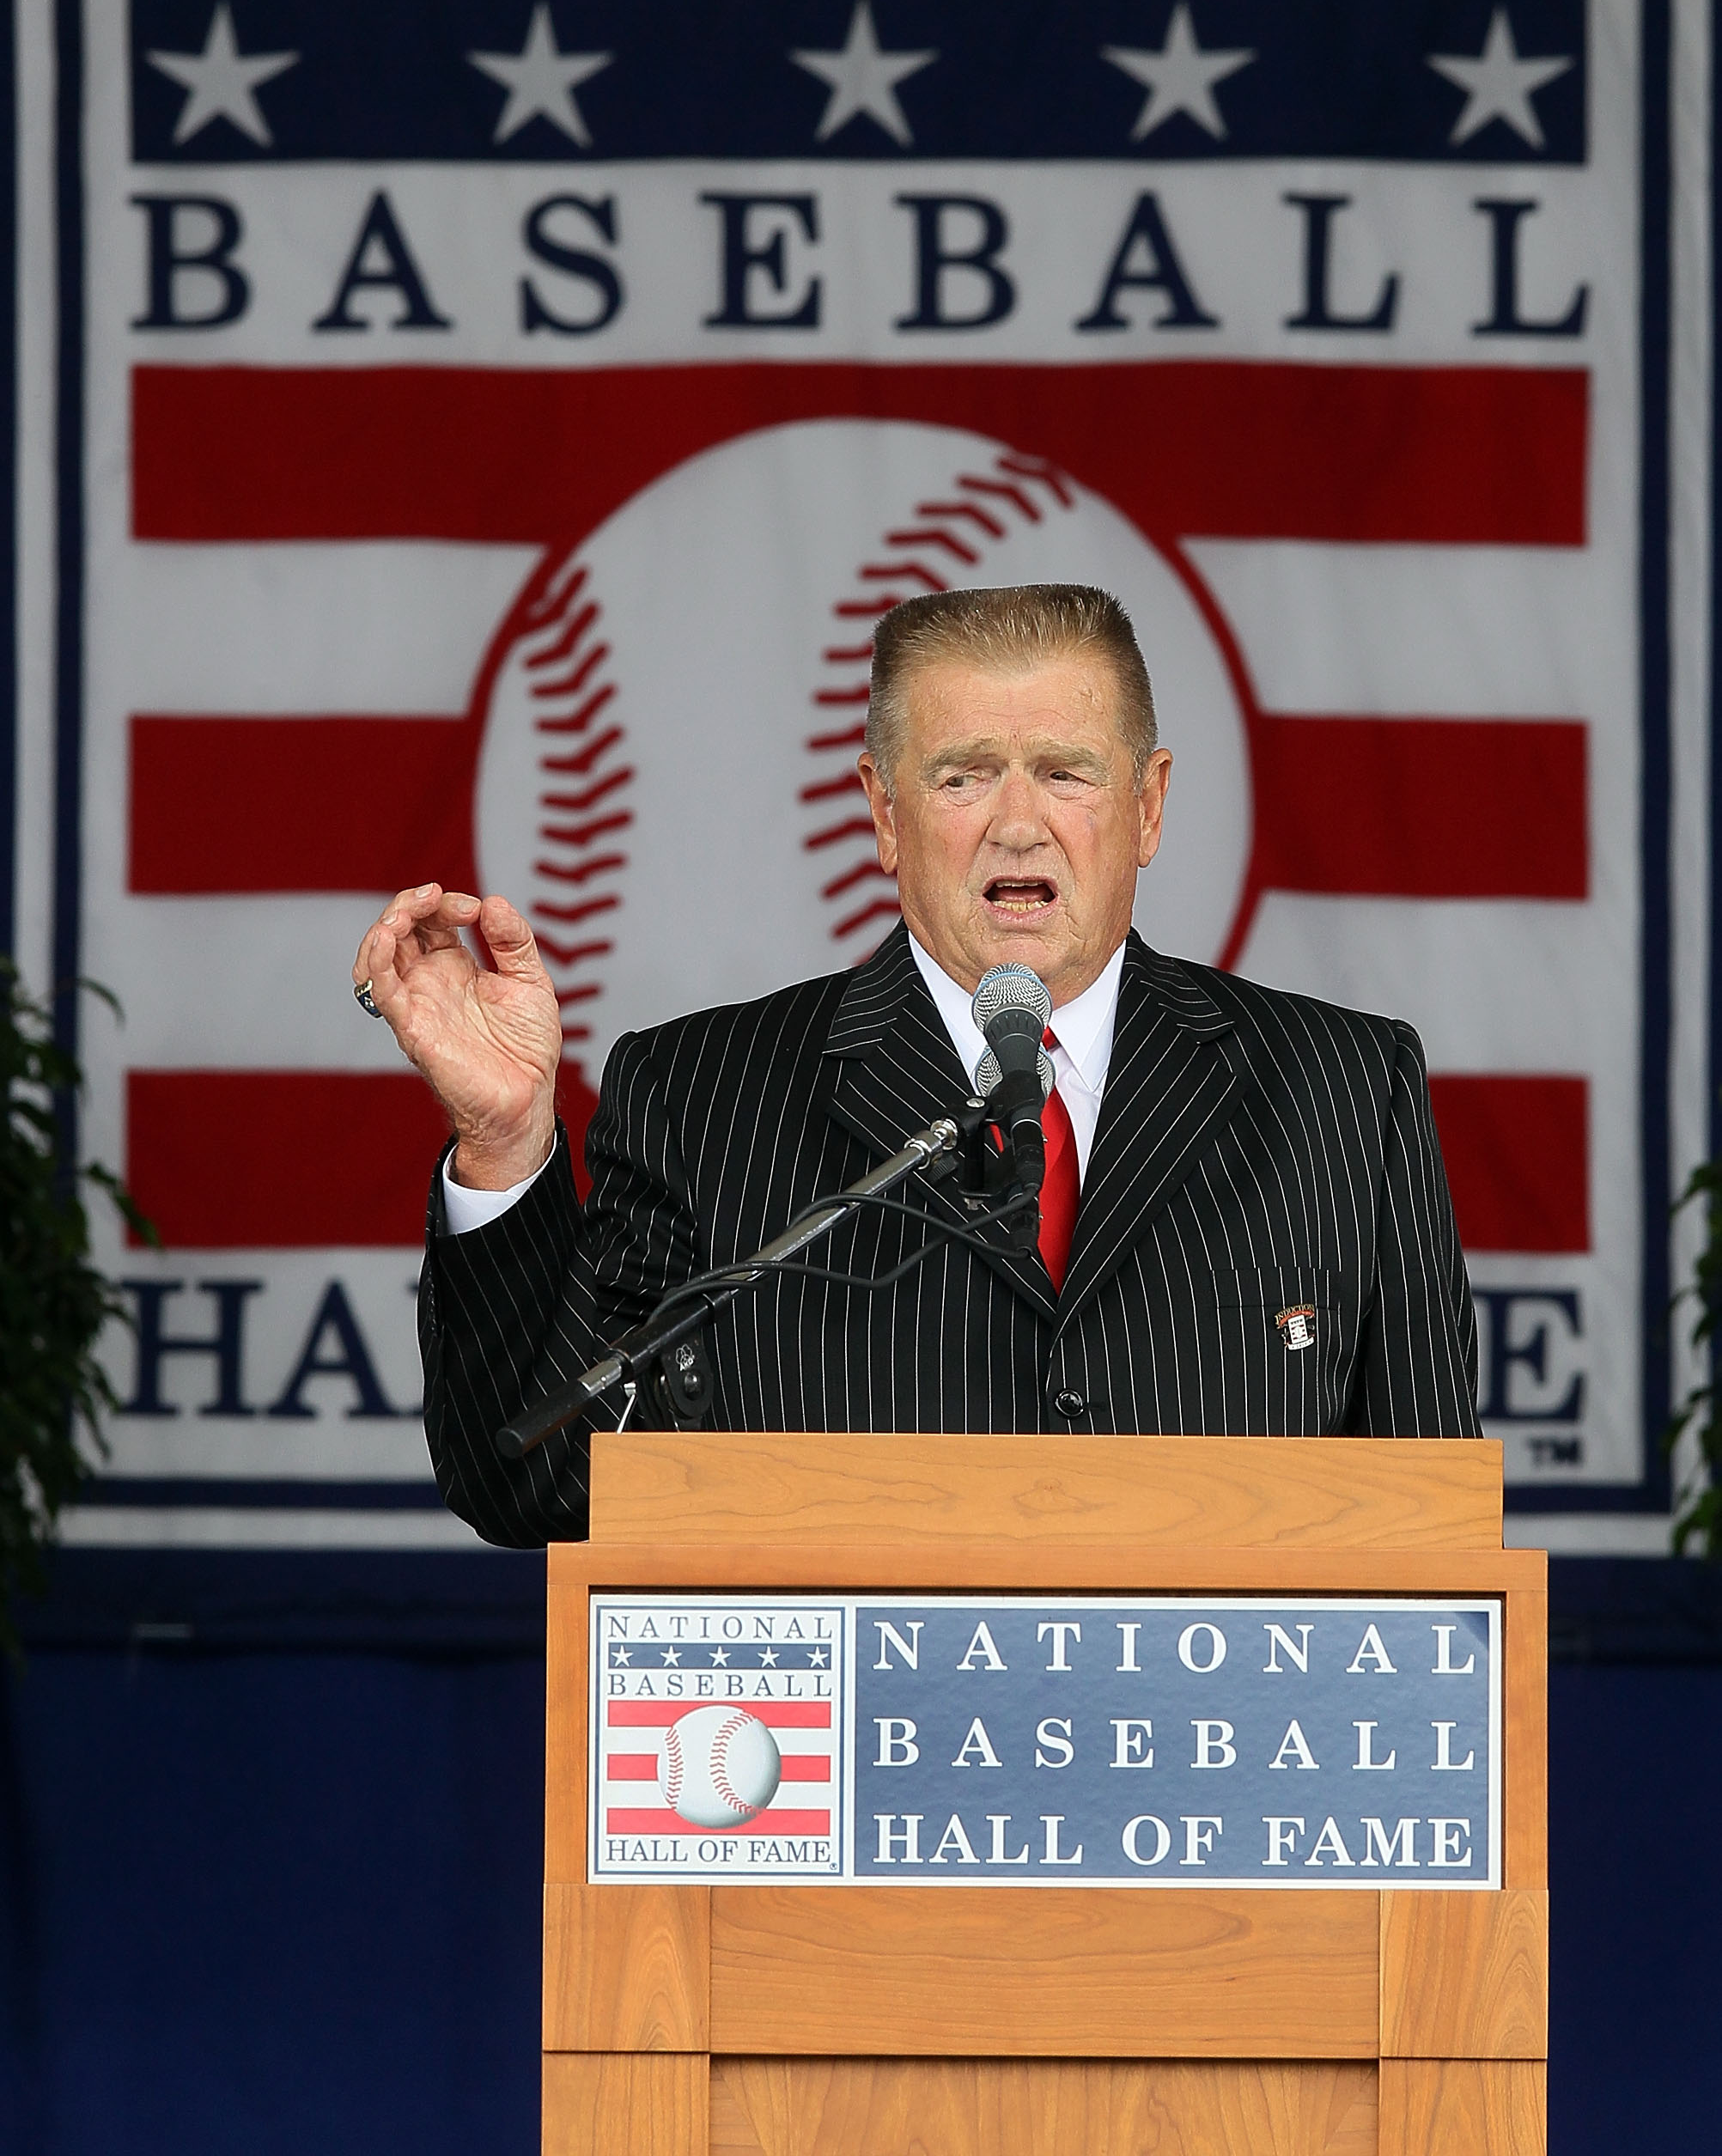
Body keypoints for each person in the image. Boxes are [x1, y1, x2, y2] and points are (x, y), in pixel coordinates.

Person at [354, 584, 1479, 1546]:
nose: (1018, 825)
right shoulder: (702, 1096)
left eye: (1066, 772)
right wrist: (505, 1144)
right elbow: (534, 1482)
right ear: (883, 814)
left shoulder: (1343, 1087)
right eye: (963, 776)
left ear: (1147, 806)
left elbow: (1431, 1532)